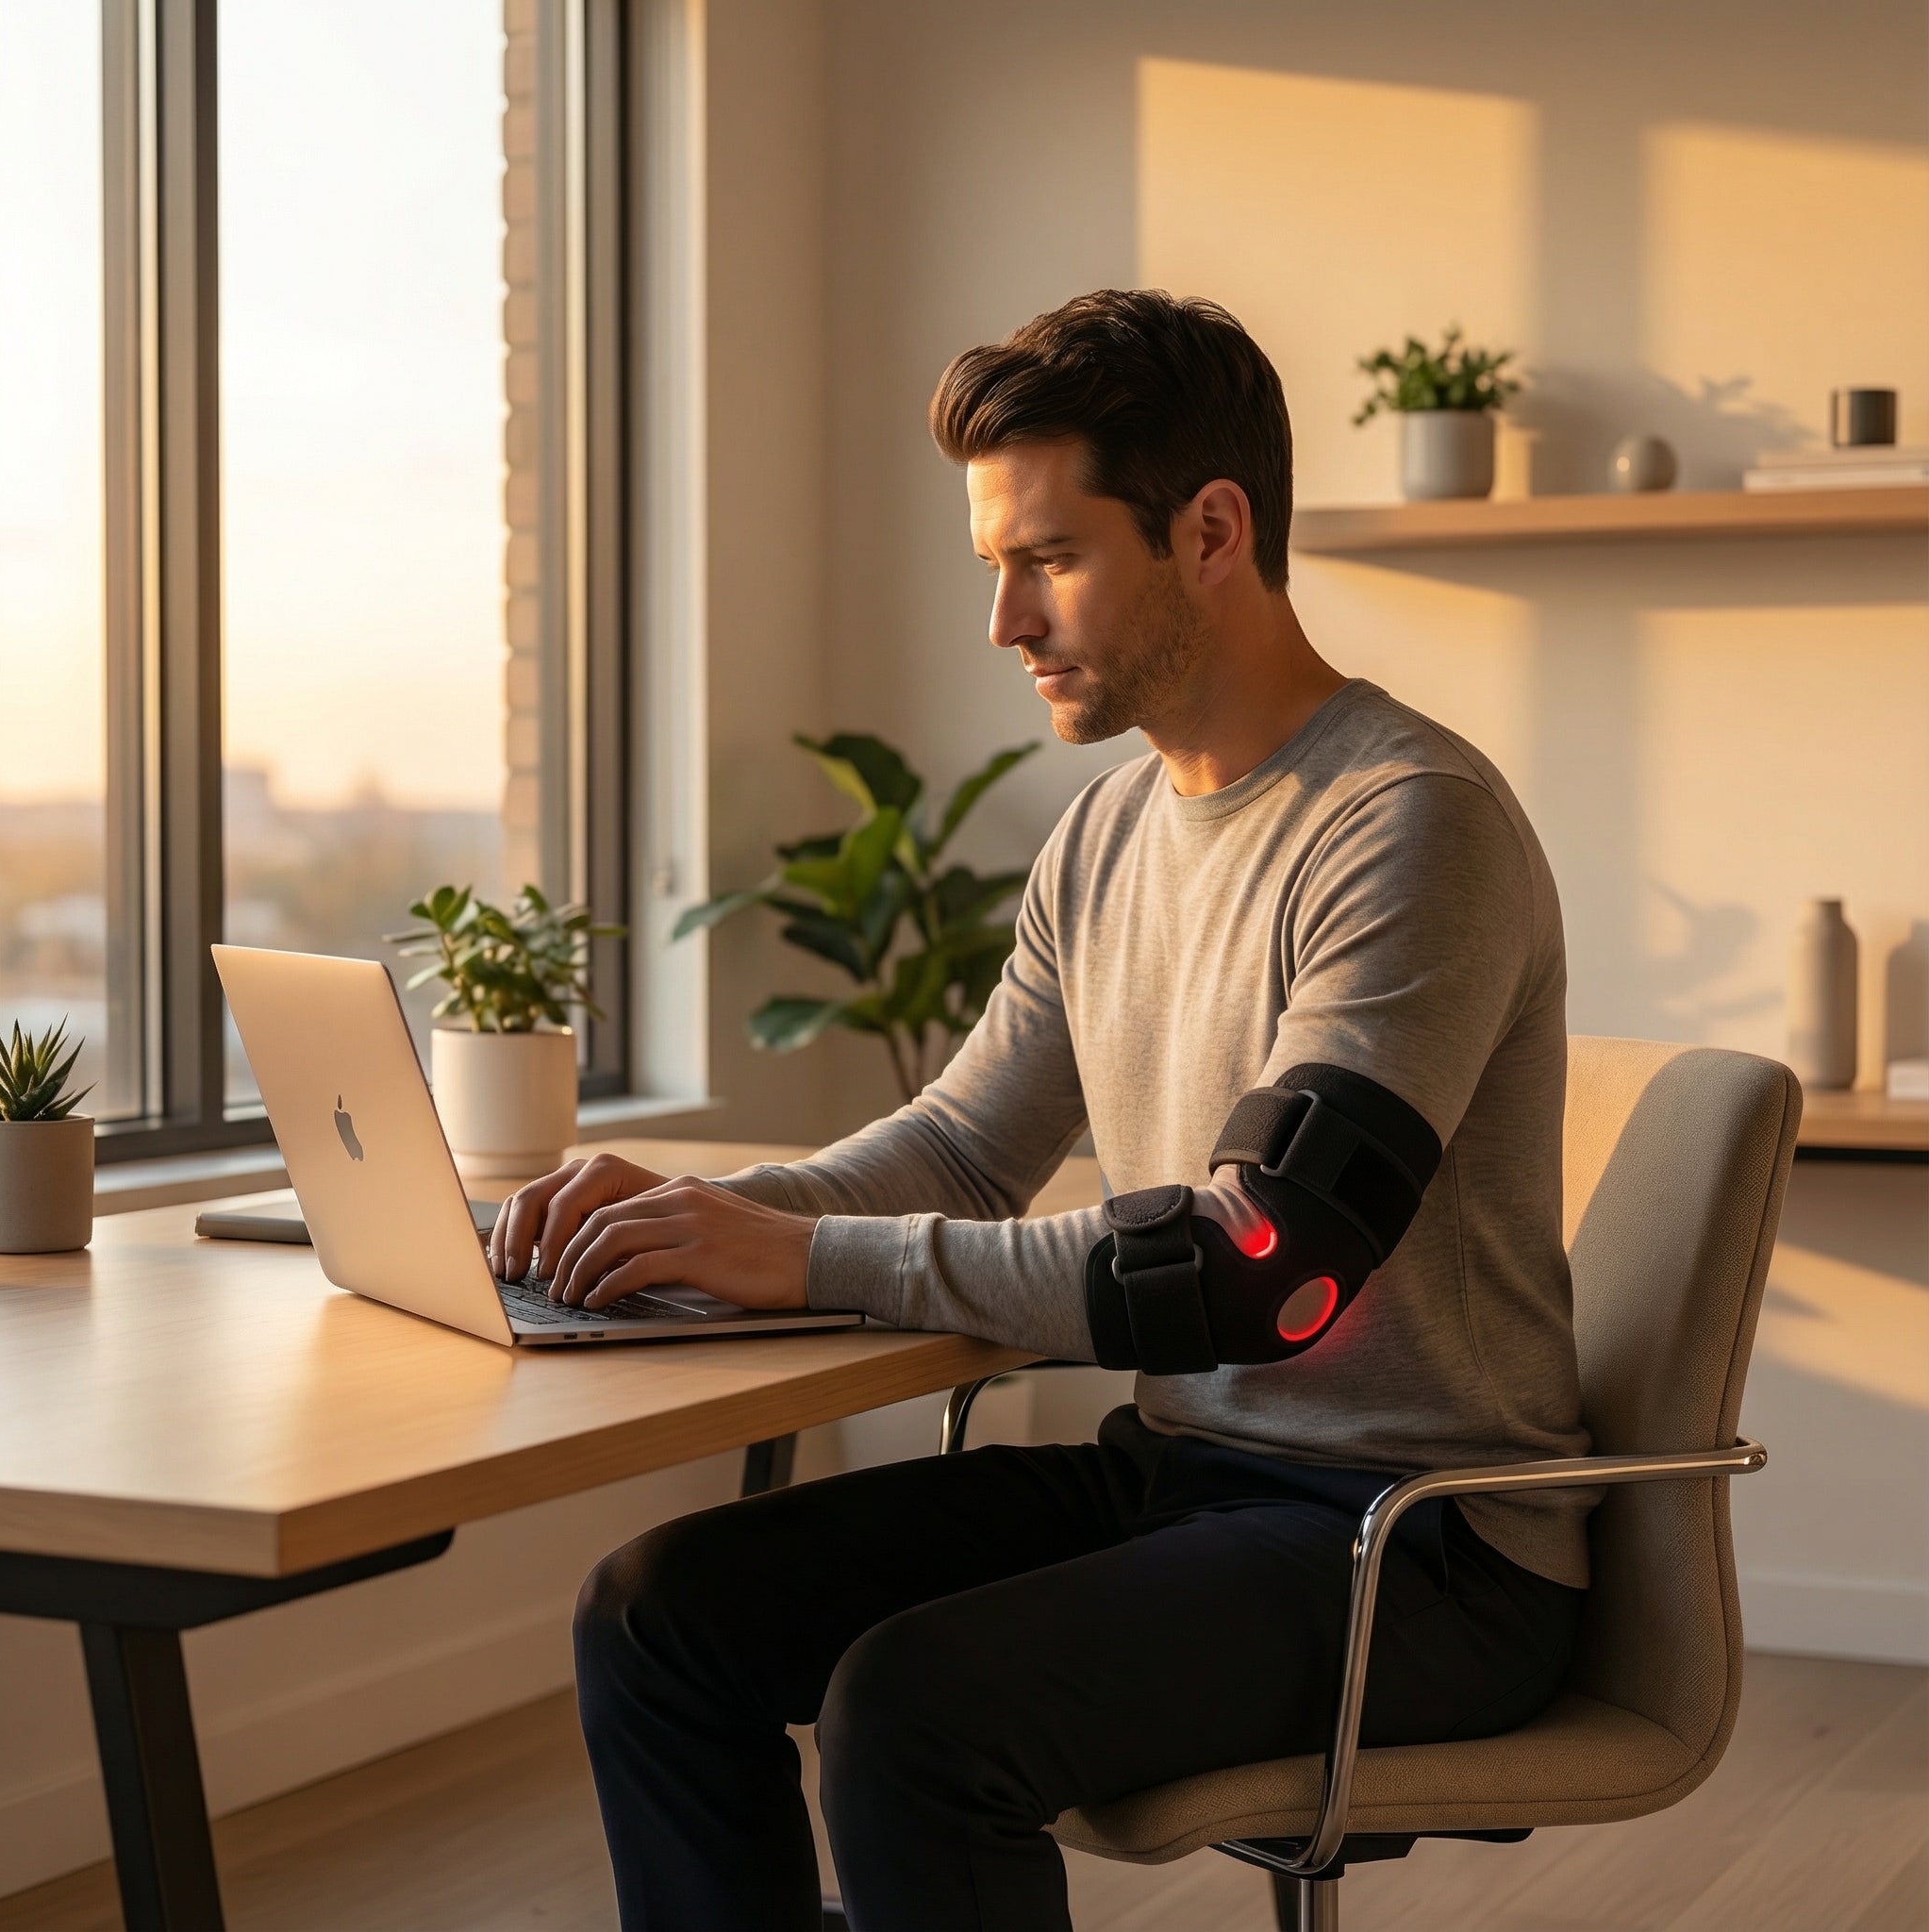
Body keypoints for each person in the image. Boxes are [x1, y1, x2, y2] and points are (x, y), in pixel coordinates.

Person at [491, 289, 1591, 1932]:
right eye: (995, 566)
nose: (1006, 619)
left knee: (916, 1714)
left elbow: (1261, 1270)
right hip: (1189, 1474)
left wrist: (808, 1266)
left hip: (1415, 1541)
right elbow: (956, 1149)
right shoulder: (1105, 838)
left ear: (1212, 530)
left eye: (1051, 558)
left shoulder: (1408, 823)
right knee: (659, 1613)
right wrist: (698, 1226)